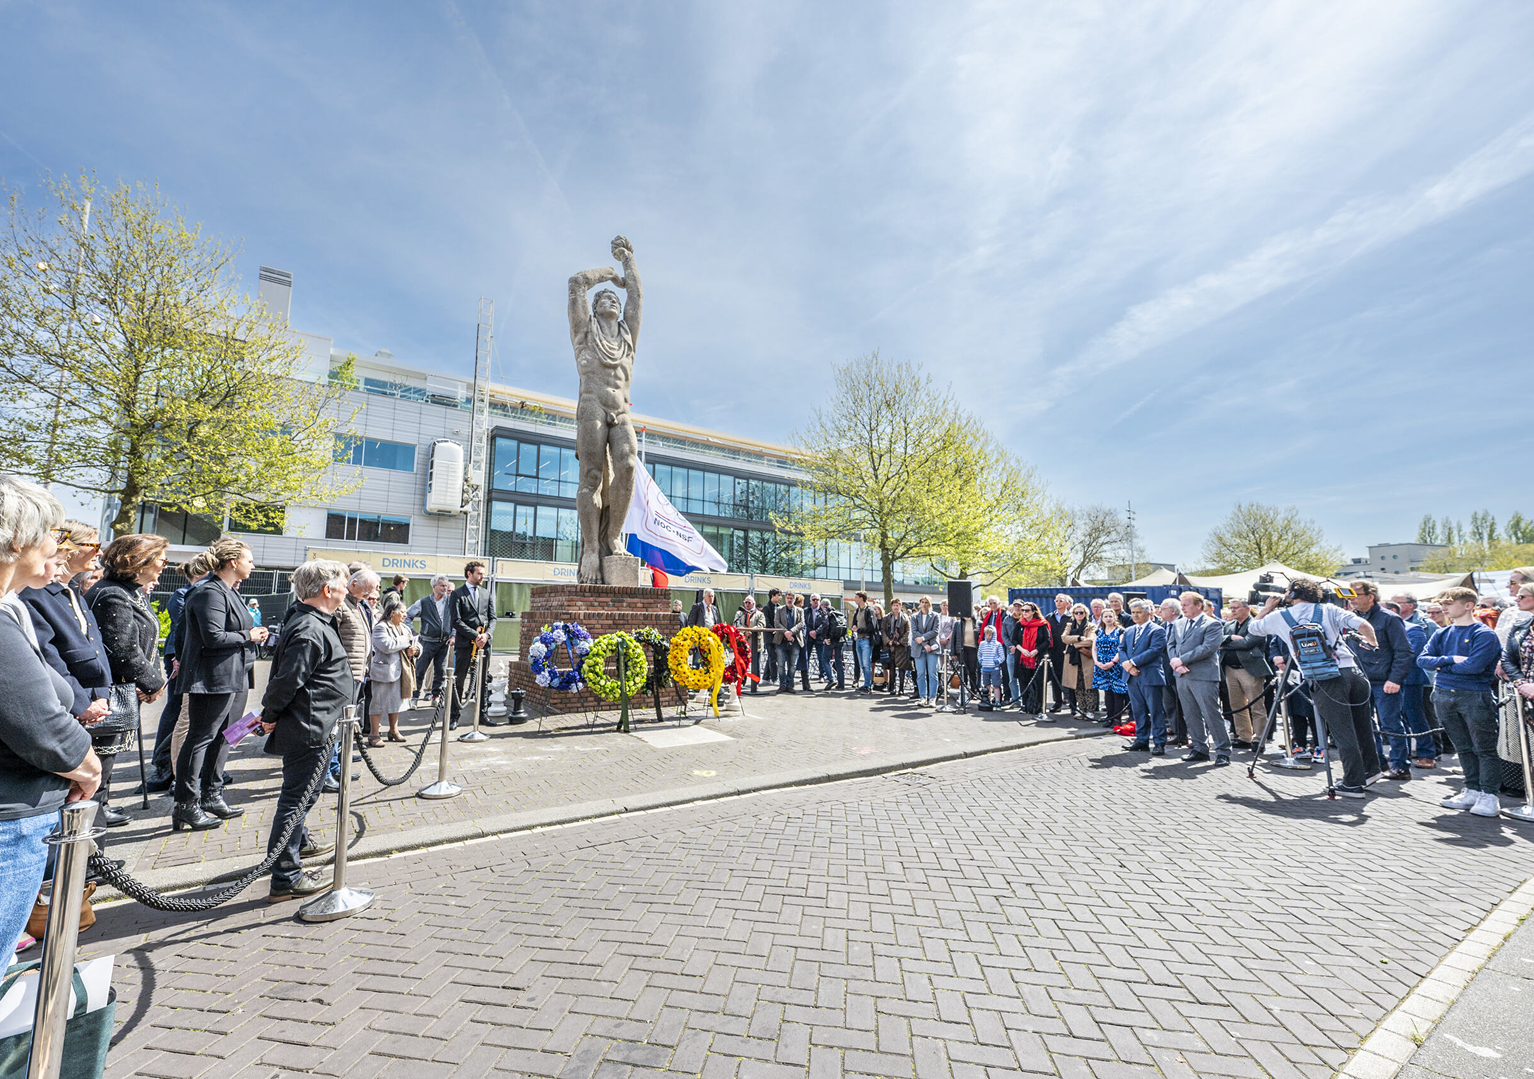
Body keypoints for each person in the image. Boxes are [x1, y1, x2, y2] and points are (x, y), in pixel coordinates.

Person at [0, 476, 101, 956]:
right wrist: (86, 766)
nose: (57, 547)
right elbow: (37, 720)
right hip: (10, 817)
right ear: (17, 541)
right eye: (51, 534)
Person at [259, 560, 354, 901]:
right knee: (297, 800)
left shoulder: (310, 621)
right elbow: (287, 680)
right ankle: (285, 876)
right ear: (328, 590)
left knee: (301, 797)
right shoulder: (310, 628)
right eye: (343, 585)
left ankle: (297, 845)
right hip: (310, 726)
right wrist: (269, 715)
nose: (346, 591)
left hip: (317, 723)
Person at [18, 522, 120, 830]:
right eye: (93, 545)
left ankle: (92, 850)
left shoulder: (74, 591)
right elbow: (48, 657)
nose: (99, 552)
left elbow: (96, 648)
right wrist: (81, 702)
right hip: (71, 707)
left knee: (94, 788)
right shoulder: (35, 595)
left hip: (94, 706)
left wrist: (102, 695)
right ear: (69, 548)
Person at [1248, 580, 1381, 798]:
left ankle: (1353, 784)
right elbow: (1363, 625)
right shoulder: (1329, 609)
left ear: (1292, 595)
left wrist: (1267, 608)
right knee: (1362, 726)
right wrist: (1373, 643)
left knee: (1342, 731)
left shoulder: (1279, 616)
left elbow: (1253, 629)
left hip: (1325, 679)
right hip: (1352, 673)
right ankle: (1371, 770)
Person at [173, 537, 266, 831]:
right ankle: (186, 804)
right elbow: (212, 637)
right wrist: (249, 636)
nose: (253, 566)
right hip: (213, 678)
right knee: (201, 737)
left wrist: (253, 634)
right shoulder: (209, 592)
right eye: (249, 561)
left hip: (235, 675)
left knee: (226, 736)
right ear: (233, 562)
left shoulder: (229, 591)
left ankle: (212, 795)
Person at [87, 533, 169, 820]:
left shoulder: (129, 592)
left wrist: (151, 679)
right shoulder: (112, 594)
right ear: (141, 560)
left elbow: (143, 642)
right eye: (161, 560)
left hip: (123, 688)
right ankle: (94, 813)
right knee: (101, 753)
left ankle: (101, 804)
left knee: (108, 753)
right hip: (106, 692)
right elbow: (122, 649)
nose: (164, 566)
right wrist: (153, 683)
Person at [1419, 586, 1505, 817]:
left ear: (1468, 605)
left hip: (1474, 695)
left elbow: (1474, 667)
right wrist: (1452, 659)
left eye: (1448, 603)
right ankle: (1472, 789)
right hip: (1444, 693)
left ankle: (1489, 795)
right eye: (1442, 604)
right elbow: (1422, 660)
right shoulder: (1442, 633)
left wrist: (1442, 665)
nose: (1443, 608)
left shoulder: (1484, 634)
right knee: (1463, 747)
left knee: (1484, 747)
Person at [147, 553, 213, 792]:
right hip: (179, 656)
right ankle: (163, 763)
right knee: (175, 707)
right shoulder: (182, 595)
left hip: (190, 657)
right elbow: (190, 626)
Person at [1347, 582, 1417, 781]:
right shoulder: (1352, 618)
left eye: (1355, 594)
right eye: (1349, 595)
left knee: (1391, 724)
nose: (1351, 599)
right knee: (1365, 724)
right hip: (1361, 679)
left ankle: (1401, 766)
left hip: (1384, 681)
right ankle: (1376, 763)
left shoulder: (1389, 619)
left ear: (1371, 597)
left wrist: (1395, 679)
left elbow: (1404, 651)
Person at [1166, 592, 1229, 764]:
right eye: (1181, 605)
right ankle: (1200, 748)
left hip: (1203, 675)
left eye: (1186, 605)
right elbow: (1171, 644)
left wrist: (1182, 660)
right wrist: (1176, 663)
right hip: (1182, 674)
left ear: (1198, 606)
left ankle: (1223, 751)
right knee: (1190, 714)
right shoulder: (1178, 623)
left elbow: (1208, 648)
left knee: (1211, 714)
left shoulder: (1212, 624)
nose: (1182, 608)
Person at [1221, 598, 1274, 749]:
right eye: (1231, 608)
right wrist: (1230, 638)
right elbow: (1218, 640)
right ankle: (1244, 736)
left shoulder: (1256, 623)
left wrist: (1226, 645)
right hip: (1230, 669)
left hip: (1250, 669)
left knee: (1256, 705)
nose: (1232, 610)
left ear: (1247, 608)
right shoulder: (1228, 625)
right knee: (1236, 705)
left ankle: (1259, 739)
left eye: (1236, 608)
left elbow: (1247, 643)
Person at [448, 561, 494, 729]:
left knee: (483, 680)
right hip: (465, 644)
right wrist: (476, 636)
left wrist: (486, 635)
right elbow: (456, 620)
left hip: (484, 645)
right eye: (479, 573)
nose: (482, 577)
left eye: (483, 574)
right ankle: (454, 716)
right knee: (459, 680)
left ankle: (482, 714)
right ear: (469, 574)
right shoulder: (457, 594)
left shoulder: (486, 593)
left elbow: (493, 618)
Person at [1118, 599, 1167, 753]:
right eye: (1133, 612)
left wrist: (1132, 663)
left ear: (1148, 613)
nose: (1135, 615)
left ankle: (1159, 742)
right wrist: (1126, 664)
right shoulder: (1129, 630)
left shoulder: (1157, 630)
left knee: (1155, 710)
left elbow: (1155, 650)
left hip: (1150, 676)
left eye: (1139, 612)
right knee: (1138, 710)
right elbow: (1121, 649)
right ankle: (1141, 740)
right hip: (1132, 677)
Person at [368, 593, 416, 745]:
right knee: (378, 704)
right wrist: (405, 640)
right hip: (384, 671)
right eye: (403, 612)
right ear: (393, 613)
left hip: (400, 671)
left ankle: (394, 731)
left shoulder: (404, 627)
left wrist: (415, 650)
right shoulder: (380, 627)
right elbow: (387, 646)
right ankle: (374, 734)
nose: (405, 615)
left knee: (396, 703)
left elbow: (415, 643)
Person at [407, 574, 453, 706]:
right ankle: (414, 697)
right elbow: (407, 616)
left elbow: (456, 619)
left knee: (440, 671)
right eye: (442, 586)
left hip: (444, 642)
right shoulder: (423, 602)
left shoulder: (450, 602)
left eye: (446, 586)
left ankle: (435, 697)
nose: (445, 588)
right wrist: (412, 632)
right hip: (427, 641)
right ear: (434, 586)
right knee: (420, 670)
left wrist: (453, 635)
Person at [1009, 602, 1051, 717]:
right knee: (1023, 681)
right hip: (1023, 657)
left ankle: (1039, 706)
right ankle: (1025, 705)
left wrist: (1036, 650)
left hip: (1037, 657)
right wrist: (1022, 650)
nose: (1024, 613)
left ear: (1034, 612)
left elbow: (1047, 640)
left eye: (1027, 610)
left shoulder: (1042, 624)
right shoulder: (1019, 624)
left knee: (1038, 682)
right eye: (1023, 610)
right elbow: (1014, 639)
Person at [1157, 597, 1187, 744]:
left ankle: (1195, 736)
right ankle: (1179, 734)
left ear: (1173, 611)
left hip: (1182, 671)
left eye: (1163, 609)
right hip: (1165, 672)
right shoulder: (1162, 626)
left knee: (1187, 705)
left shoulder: (1184, 624)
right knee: (1170, 705)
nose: (1159, 612)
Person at [1093, 609, 1128, 726]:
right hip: (1101, 665)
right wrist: (1096, 662)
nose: (1108, 619)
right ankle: (1109, 716)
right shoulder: (1098, 631)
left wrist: (1112, 662)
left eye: (1110, 616)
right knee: (1107, 692)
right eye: (1106, 616)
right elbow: (1094, 648)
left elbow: (1121, 648)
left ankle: (1117, 718)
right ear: (1102, 618)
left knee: (1117, 692)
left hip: (1116, 666)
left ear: (1114, 618)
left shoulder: (1120, 631)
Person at [1061, 603, 1097, 718]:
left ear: (1085, 614)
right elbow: (1064, 638)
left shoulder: (1091, 626)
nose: (1079, 614)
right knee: (1077, 686)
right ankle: (1081, 710)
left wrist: (1074, 644)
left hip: (1086, 659)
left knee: (1089, 686)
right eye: (1076, 613)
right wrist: (1079, 638)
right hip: (1073, 660)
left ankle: (1090, 711)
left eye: (1081, 612)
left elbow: (1091, 640)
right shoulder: (1069, 625)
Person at [910, 596, 941, 705]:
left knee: (932, 673)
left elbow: (935, 631)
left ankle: (932, 697)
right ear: (920, 604)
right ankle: (922, 697)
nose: (924, 604)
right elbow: (914, 632)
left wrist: (923, 639)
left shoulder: (935, 616)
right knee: (920, 673)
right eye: (922, 602)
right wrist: (924, 644)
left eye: (926, 602)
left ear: (930, 604)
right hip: (919, 648)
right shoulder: (914, 617)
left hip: (932, 648)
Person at [734, 596, 767, 693]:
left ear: (753, 603)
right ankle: (741, 681)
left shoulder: (759, 614)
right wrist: (745, 631)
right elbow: (735, 624)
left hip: (755, 643)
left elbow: (761, 625)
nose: (747, 604)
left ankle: (755, 683)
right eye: (746, 602)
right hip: (743, 643)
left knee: (756, 664)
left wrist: (751, 630)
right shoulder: (739, 613)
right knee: (741, 663)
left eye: (749, 602)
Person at [1045, 594, 1072, 713]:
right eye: (1056, 601)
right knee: (1055, 678)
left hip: (1068, 652)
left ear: (1067, 603)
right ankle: (1057, 702)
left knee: (1069, 679)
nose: (1058, 603)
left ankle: (1072, 703)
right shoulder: (1049, 617)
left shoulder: (1071, 617)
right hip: (1053, 651)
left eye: (1061, 601)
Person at [881, 598, 911, 697]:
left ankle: (901, 689)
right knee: (892, 668)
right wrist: (887, 641)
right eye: (894, 605)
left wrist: (900, 641)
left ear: (900, 606)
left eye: (897, 605)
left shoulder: (905, 618)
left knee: (902, 668)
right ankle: (892, 687)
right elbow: (883, 630)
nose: (895, 607)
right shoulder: (886, 618)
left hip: (901, 647)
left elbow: (908, 631)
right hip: (890, 646)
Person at [775, 592, 804, 693]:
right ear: (785, 599)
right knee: (780, 664)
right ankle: (782, 685)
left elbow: (801, 623)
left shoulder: (800, 610)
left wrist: (791, 632)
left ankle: (790, 684)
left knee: (792, 665)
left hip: (795, 641)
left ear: (794, 599)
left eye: (791, 598)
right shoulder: (779, 609)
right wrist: (786, 633)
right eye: (787, 598)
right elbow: (777, 623)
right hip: (781, 640)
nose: (789, 600)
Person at [849, 591, 877, 693]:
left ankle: (868, 685)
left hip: (866, 639)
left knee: (866, 664)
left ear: (861, 598)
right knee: (862, 664)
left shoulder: (869, 611)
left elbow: (872, 626)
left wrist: (859, 630)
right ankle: (865, 683)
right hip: (859, 639)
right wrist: (854, 629)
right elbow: (855, 623)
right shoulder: (858, 610)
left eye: (856, 597)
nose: (855, 599)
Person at [977, 625, 1006, 710]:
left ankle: (997, 701)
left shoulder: (998, 645)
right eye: (986, 634)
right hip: (985, 668)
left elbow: (1002, 657)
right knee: (987, 686)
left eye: (990, 635)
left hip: (994, 669)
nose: (988, 637)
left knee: (996, 686)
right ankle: (987, 701)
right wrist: (981, 660)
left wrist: (997, 661)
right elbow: (979, 654)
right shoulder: (982, 644)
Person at [819, 597, 845, 689]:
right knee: (839, 661)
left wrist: (824, 638)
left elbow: (825, 625)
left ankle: (831, 679)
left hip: (830, 640)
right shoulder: (838, 613)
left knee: (825, 660)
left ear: (823, 606)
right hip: (840, 639)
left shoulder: (826, 613)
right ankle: (841, 684)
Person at [762, 589, 782, 683]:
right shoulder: (766, 608)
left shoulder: (779, 607)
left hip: (778, 636)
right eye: (778, 595)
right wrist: (773, 630)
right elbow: (766, 622)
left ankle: (765, 677)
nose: (780, 597)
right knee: (773, 657)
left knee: (772, 657)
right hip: (769, 636)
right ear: (772, 596)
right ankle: (774, 678)